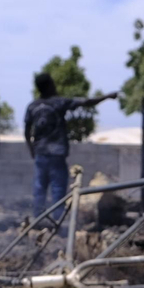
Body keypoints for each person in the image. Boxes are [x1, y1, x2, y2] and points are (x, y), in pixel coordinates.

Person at [24, 73, 117, 214]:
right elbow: (86, 102)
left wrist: (32, 150)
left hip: (41, 154)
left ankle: (37, 219)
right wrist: (107, 96)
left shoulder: (32, 106)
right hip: (56, 154)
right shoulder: (59, 103)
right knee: (58, 189)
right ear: (49, 86)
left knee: (39, 188)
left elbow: (26, 132)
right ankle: (57, 222)